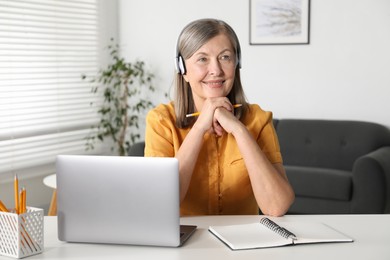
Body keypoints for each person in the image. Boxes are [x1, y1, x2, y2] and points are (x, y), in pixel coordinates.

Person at [145, 18, 294, 216]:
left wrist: (239, 130)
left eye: (225, 57)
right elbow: (159, 204)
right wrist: (199, 128)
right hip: (185, 241)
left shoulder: (258, 119)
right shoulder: (161, 121)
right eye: (202, 59)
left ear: (237, 63)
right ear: (183, 69)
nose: (215, 70)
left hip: (244, 241)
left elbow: (276, 206)